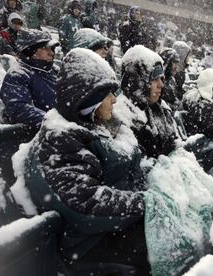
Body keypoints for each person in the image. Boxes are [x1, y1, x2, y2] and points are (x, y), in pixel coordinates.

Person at [24, 48, 150, 274]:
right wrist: (147, 204)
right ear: (88, 97)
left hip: (117, 228)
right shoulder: (60, 139)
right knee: (167, 251)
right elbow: (85, 206)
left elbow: (132, 172)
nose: (115, 99)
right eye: (107, 93)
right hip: (87, 245)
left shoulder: (101, 124)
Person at [120, 45, 178, 158]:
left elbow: (175, 144)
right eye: (155, 79)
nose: (161, 85)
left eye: (162, 79)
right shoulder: (123, 118)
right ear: (137, 82)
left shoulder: (161, 109)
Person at [0, 29, 59, 128]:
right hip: (42, 135)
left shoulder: (55, 71)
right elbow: (20, 109)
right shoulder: (17, 75)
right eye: (45, 48)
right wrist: (55, 124)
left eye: (52, 48)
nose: (51, 53)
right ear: (30, 51)